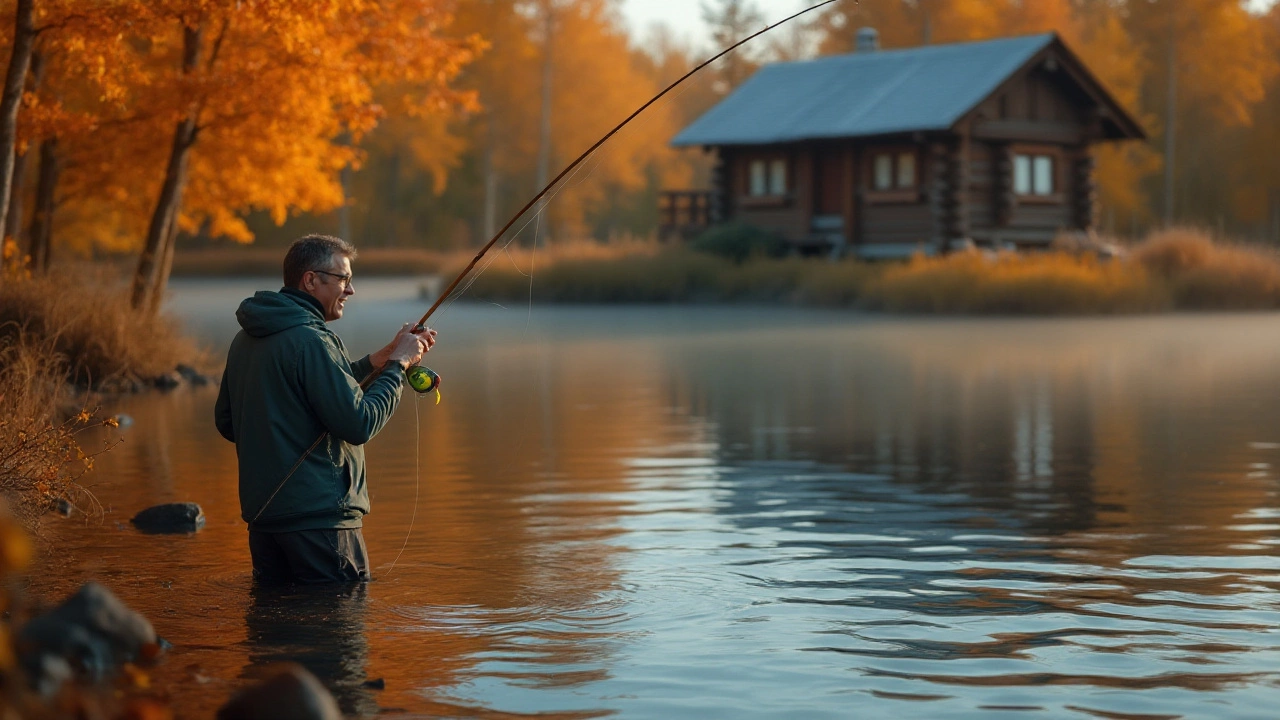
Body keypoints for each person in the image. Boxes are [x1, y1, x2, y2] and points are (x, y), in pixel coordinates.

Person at [215, 234, 436, 584]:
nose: (349, 290)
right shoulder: (312, 339)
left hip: (265, 523)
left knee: (276, 633)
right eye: (343, 279)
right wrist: (398, 365)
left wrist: (378, 361)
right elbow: (359, 422)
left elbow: (228, 422)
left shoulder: (246, 339)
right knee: (338, 631)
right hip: (322, 525)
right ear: (311, 280)